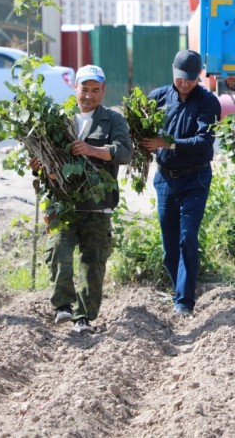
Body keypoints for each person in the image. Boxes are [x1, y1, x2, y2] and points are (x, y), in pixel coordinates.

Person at [42, 65, 133, 334]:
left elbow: (125, 153)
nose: (89, 95)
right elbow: (48, 159)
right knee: (58, 251)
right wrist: (40, 163)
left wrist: (92, 149)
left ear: (103, 91)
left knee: (93, 262)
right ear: (76, 89)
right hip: (63, 203)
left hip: (98, 204)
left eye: (95, 90)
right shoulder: (60, 119)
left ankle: (84, 318)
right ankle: (63, 307)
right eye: (85, 89)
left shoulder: (113, 120)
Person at [140, 50, 221, 316]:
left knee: (187, 238)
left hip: (195, 178)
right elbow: (141, 130)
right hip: (165, 179)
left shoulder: (208, 102)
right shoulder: (157, 98)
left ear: (198, 76)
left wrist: (169, 143)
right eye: (180, 78)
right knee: (169, 244)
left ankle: (184, 302)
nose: (184, 84)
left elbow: (203, 142)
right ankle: (180, 290)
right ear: (173, 72)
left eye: (189, 79)